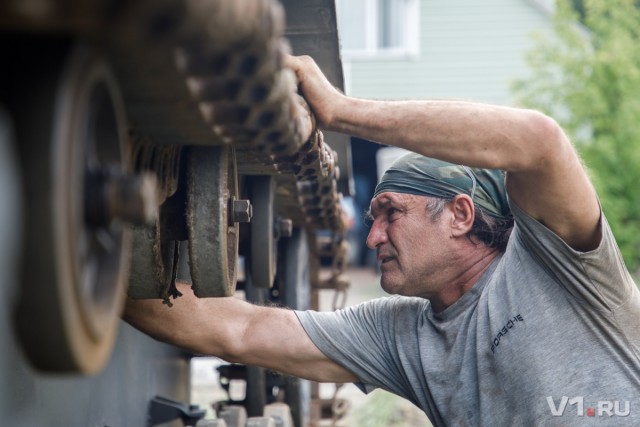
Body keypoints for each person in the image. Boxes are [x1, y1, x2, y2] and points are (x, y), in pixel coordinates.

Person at [124, 55, 640, 425]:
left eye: (390, 213)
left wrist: (340, 112)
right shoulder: (402, 337)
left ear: (460, 214)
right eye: (373, 217)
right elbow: (241, 330)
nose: (371, 236)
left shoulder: (558, 265)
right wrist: (97, 267)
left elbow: (539, 141)